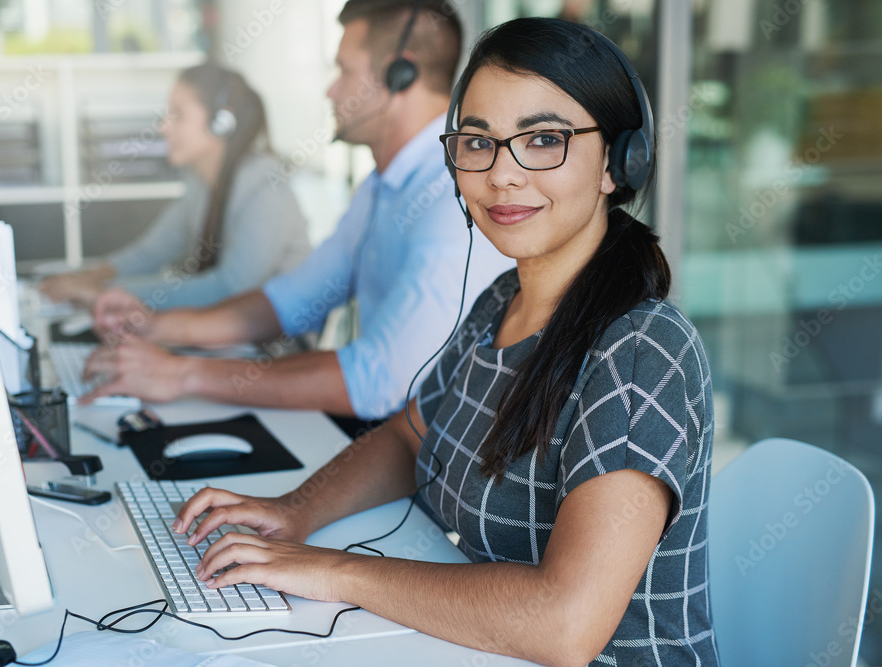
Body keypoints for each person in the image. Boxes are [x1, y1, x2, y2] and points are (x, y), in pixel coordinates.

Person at [169, 17, 719, 667]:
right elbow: (409, 435)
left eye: (543, 139)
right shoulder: (500, 301)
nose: (503, 175)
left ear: (618, 162)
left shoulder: (638, 351)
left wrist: (333, 571)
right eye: (479, 142)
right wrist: (294, 512)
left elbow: (564, 625)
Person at [81, 0, 514, 430]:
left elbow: (377, 379)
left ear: (401, 74)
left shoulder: (452, 199)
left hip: (429, 471)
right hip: (384, 440)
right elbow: (293, 301)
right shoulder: (381, 187)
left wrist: (181, 374)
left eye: (344, 70)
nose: (331, 90)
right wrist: (153, 328)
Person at [38, 64, 310, 310]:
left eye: (178, 115)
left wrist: (104, 293)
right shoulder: (201, 185)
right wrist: (84, 279)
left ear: (220, 124)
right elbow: (150, 253)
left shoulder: (266, 188)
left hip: (278, 352)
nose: (164, 127)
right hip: (229, 340)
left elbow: (230, 289)